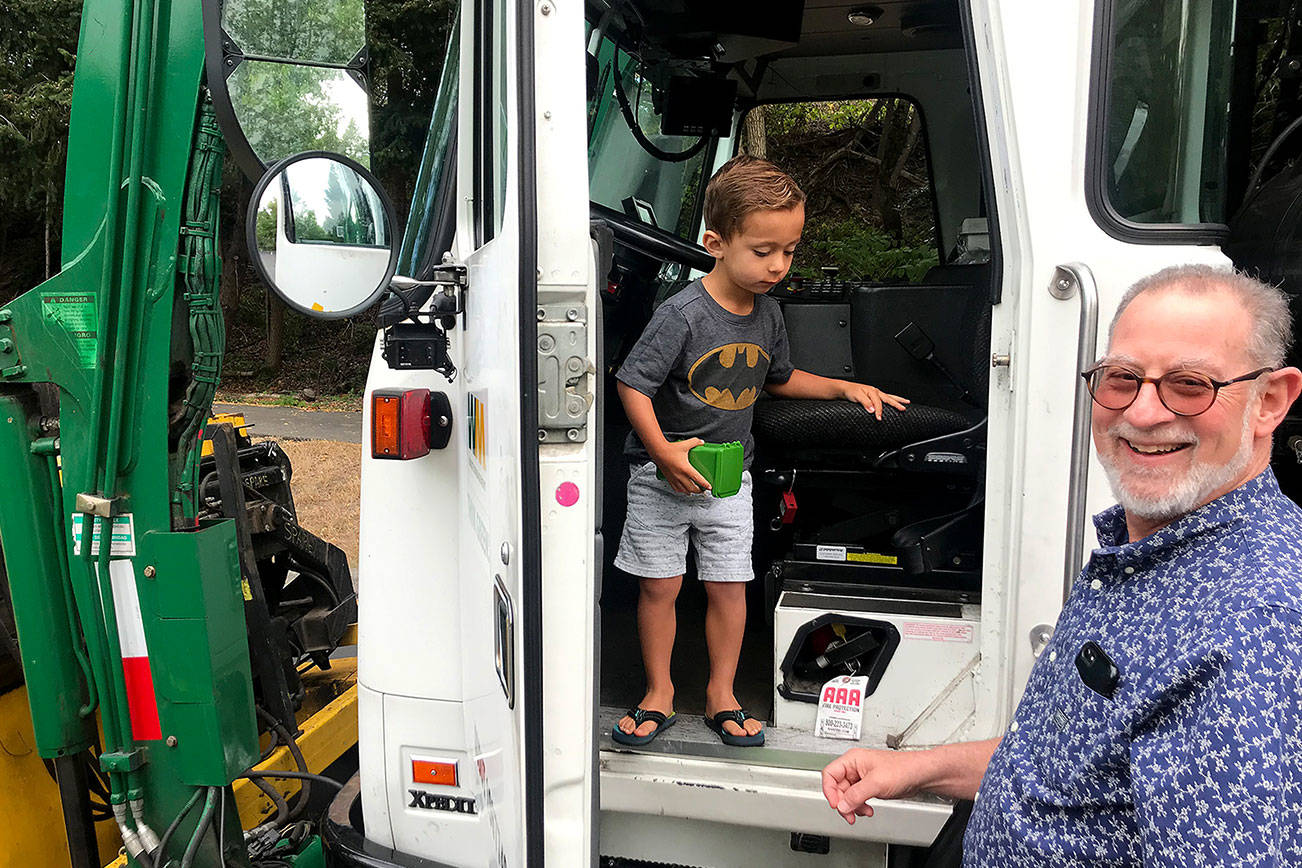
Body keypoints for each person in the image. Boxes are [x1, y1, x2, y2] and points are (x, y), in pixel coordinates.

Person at [821, 264, 1302, 865]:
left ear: (1270, 402)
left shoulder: (1254, 627)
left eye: (1189, 384)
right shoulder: (1149, 554)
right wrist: (916, 768)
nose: (1145, 413)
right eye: (1122, 378)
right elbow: (1063, 756)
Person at [612, 155, 909, 747]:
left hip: (729, 480)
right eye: (763, 250)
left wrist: (843, 387)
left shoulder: (767, 312)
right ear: (716, 243)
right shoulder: (682, 314)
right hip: (660, 475)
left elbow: (778, 378)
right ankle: (660, 692)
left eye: (790, 251)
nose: (778, 266)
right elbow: (631, 384)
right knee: (660, 586)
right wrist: (663, 452)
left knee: (728, 585)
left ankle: (722, 693)